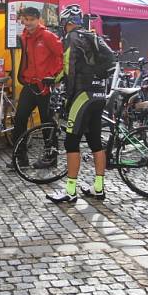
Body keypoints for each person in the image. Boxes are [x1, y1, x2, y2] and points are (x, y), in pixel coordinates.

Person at [47, 14, 108, 203]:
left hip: (82, 96)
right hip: (99, 94)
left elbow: (67, 68)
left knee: (71, 143)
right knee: (95, 142)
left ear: (66, 22)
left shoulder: (71, 38)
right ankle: (98, 188)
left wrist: (54, 81)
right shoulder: (92, 36)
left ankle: (70, 191)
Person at [9, 6, 63, 170]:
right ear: (22, 20)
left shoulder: (47, 36)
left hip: (45, 86)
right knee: (19, 119)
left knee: (47, 122)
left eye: (32, 20)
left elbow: (62, 56)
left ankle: (50, 157)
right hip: (30, 84)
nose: (29, 23)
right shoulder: (24, 37)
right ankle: (20, 157)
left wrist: (53, 76)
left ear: (38, 19)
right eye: (26, 20)